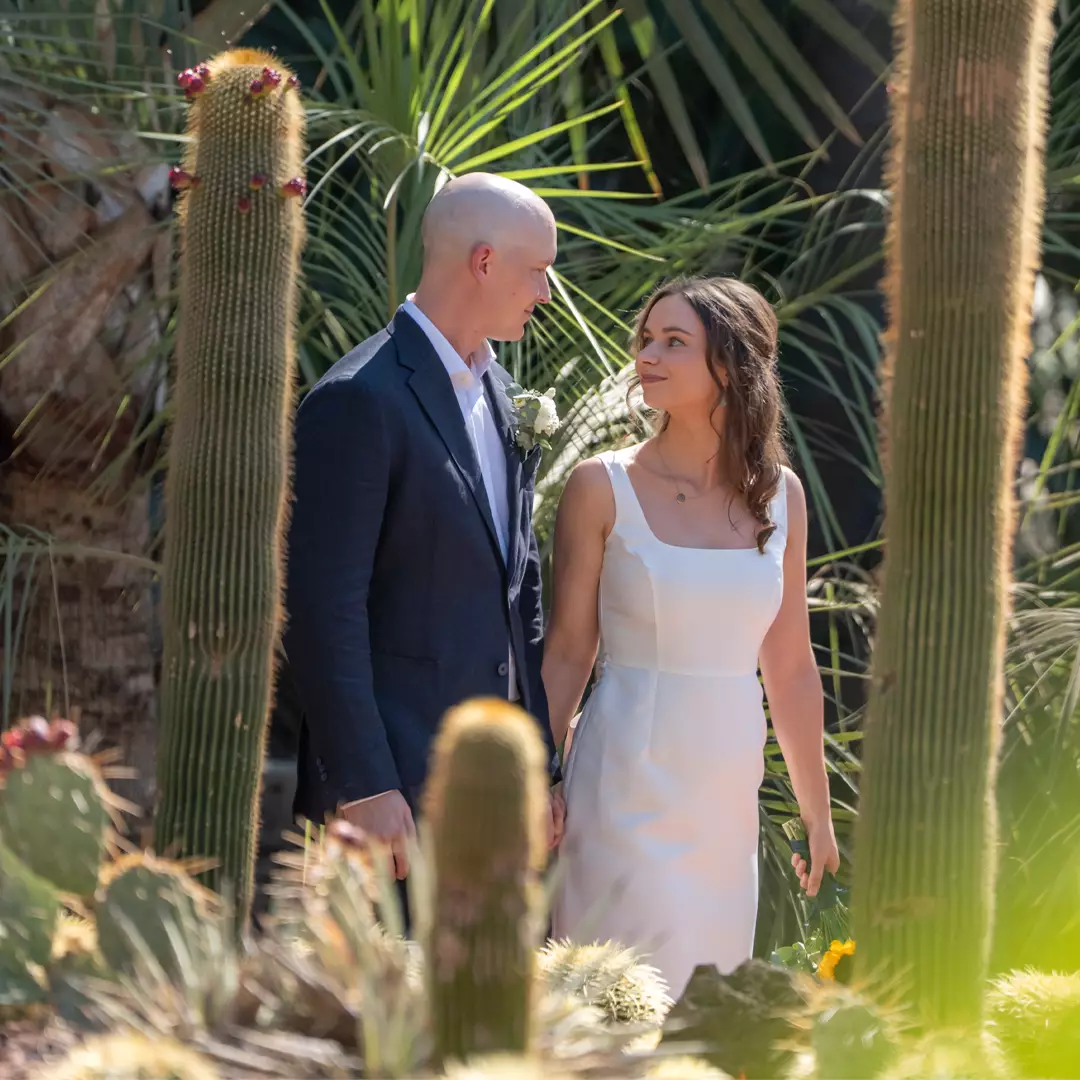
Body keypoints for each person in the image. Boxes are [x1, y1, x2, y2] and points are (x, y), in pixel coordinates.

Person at [544, 275, 838, 997]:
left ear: (730, 367)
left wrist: (817, 815)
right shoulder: (598, 486)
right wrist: (536, 773)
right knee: (603, 998)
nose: (648, 354)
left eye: (674, 342)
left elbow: (792, 668)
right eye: (646, 338)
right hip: (620, 779)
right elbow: (568, 652)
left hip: (724, 794)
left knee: (704, 1003)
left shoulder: (783, 497)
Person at [283, 172, 566, 892]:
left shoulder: (502, 394)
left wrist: (541, 767)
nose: (545, 293)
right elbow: (324, 611)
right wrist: (368, 786)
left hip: (493, 798)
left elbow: (518, 593)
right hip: (397, 800)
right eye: (537, 271)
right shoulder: (358, 400)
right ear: (483, 262)